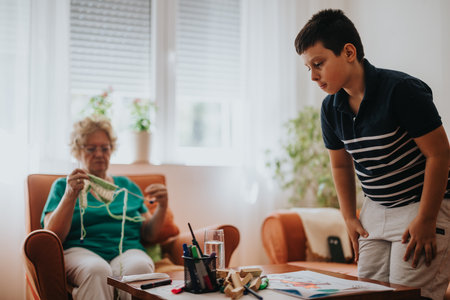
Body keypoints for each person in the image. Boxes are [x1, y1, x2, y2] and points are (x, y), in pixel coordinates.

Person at [295, 9, 449, 300]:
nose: (313, 76)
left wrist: (427, 219)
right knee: (368, 293)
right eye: (308, 68)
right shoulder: (331, 109)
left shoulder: (401, 90)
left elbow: (440, 154)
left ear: (349, 52)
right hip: (375, 209)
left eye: (318, 64)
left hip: (422, 204)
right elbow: (341, 166)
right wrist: (348, 216)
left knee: (410, 293)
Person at [41, 115, 168, 300]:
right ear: (78, 151)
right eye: (91, 149)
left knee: (139, 267)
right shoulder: (62, 186)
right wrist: (70, 195)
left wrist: (162, 207)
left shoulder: (127, 186)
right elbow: (52, 234)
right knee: (96, 270)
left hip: (127, 251)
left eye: (105, 148)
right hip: (80, 252)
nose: (99, 154)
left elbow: (149, 234)